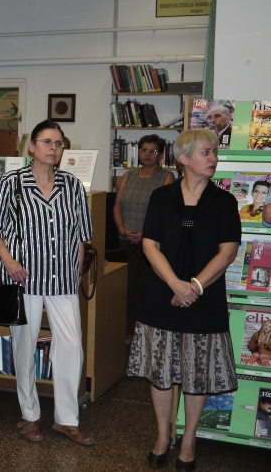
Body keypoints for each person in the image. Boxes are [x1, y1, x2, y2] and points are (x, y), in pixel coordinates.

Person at [127, 128, 240, 471]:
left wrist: (193, 287)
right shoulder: (162, 197)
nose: (213, 158)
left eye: (215, 152)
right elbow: (150, 245)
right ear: (184, 158)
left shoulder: (224, 202)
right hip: (162, 294)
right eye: (206, 152)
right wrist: (175, 284)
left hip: (204, 298)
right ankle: (164, 435)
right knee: (160, 371)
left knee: (197, 372)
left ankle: (188, 439)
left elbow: (227, 252)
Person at [0, 120, 94, 446]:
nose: (53, 148)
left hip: (63, 279)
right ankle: (30, 414)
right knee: (24, 347)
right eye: (46, 142)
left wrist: (76, 272)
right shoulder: (12, 182)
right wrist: (9, 261)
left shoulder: (73, 185)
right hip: (22, 278)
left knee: (71, 347)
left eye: (58, 143)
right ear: (32, 146)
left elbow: (81, 236)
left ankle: (67, 419)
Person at [113, 135, 175, 339]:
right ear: (138, 152)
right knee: (124, 292)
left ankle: (145, 335)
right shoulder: (128, 176)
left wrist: (146, 234)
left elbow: (168, 214)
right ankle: (126, 333)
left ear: (161, 155)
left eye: (153, 151)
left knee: (146, 292)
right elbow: (117, 206)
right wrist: (122, 230)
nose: (148, 155)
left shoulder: (167, 178)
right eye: (144, 150)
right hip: (125, 244)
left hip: (151, 247)